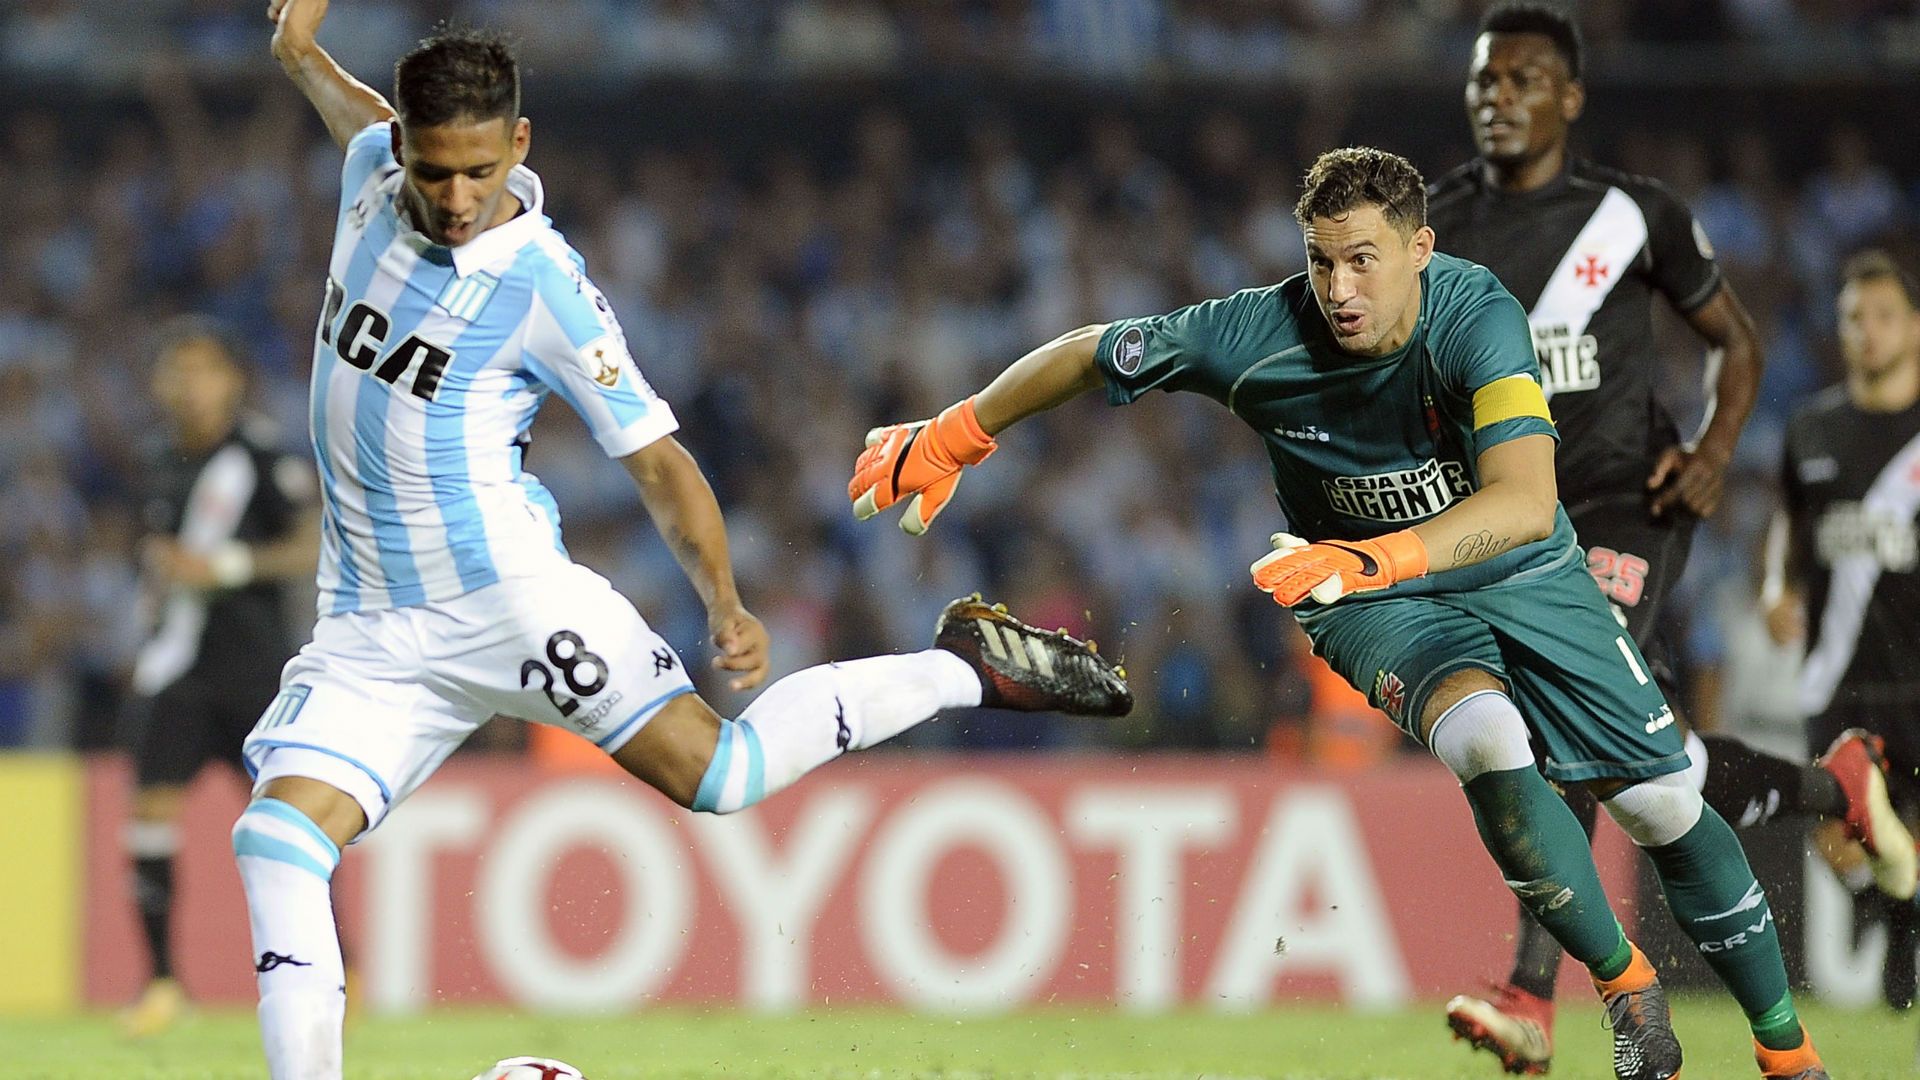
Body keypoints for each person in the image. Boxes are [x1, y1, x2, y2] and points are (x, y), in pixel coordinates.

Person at [245, 4, 1131, 1079]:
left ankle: (962, 669)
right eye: (436, 173)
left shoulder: (543, 286)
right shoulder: (374, 169)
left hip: (510, 603)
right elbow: (364, 118)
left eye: (480, 171)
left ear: (519, 146)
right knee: (277, 839)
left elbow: (659, 462)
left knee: (723, 775)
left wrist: (723, 598)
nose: (457, 197)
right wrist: (300, 56)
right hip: (371, 624)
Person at [852, 146, 1830, 1080]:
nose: (1341, 289)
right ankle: (1623, 983)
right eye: (1321, 262)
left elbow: (1527, 503)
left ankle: (1786, 1048)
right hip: (1369, 597)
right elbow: (1087, 351)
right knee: (1486, 739)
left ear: (1420, 251)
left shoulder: (1476, 313)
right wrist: (960, 430)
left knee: (1660, 802)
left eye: (1364, 260)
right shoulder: (1254, 333)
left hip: (1517, 568)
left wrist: (1376, 552)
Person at [1425, 7, 1915, 1072]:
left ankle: (1531, 996)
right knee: (1651, 764)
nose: (1496, 96)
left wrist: (1711, 448)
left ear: (1570, 98)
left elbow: (1734, 340)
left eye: (1521, 79)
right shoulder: (1438, 224)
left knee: (1560, 720)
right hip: (1504, 512)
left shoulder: (1630, 216)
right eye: (1483, 79)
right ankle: (1838, 785)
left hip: (1617, 505)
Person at [121, 319, 320, 1037]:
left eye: (204, 370)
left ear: (233, 380)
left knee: (294, 826)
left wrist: (228, 566)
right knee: (147, 818)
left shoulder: (262, 457)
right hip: (177, 669)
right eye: (178, 371)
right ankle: (162, 982)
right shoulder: (159, 459)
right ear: (158, 385)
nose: (190, 386)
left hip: (254, 673)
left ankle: (339, 967)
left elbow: (308, 543)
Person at [1768, 249, 1920, 1015]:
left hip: (1917, 675)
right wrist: (1775, 586)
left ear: (1916, 328)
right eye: (1854, 318)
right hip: (1838, 673)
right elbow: (1788, 526)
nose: (1867, 332)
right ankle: (1890, 906)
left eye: (1884, 316)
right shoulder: (1813, 426)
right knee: (1833, 833)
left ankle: (1898, 917)